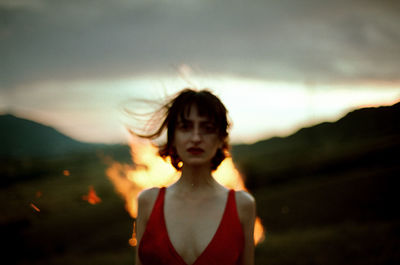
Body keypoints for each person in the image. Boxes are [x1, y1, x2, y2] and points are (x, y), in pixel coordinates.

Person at [135, 89, 256, 265]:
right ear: (173, 136)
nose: (196, 137)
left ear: (221, 138)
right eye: (185, 127)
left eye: (207, 129)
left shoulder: (242, 205)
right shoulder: (148, 201)